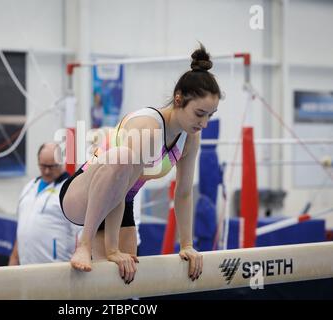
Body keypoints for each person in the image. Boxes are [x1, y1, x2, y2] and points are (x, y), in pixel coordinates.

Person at [59, 44, 220, 284]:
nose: (204, 123)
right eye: (199, 113)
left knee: (122, 282)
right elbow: (119, 180)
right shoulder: (148, 127)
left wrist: (187, 245)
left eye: (210, 115)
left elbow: (184, 193)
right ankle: (83, 243)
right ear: (179, 99)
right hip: (84, 194)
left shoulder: (190, 138)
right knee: (122, 158)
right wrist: (111, 249)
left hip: (123, 201)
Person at [9, 143, 82, 265]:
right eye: (43, 166)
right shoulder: (30, 187)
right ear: (38, 162)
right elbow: (23, 228)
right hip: (25, 266)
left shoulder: (70, 190)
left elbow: (82, 232)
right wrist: (14, 258)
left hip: (55, 268)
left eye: (52, 166)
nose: (47, 171)